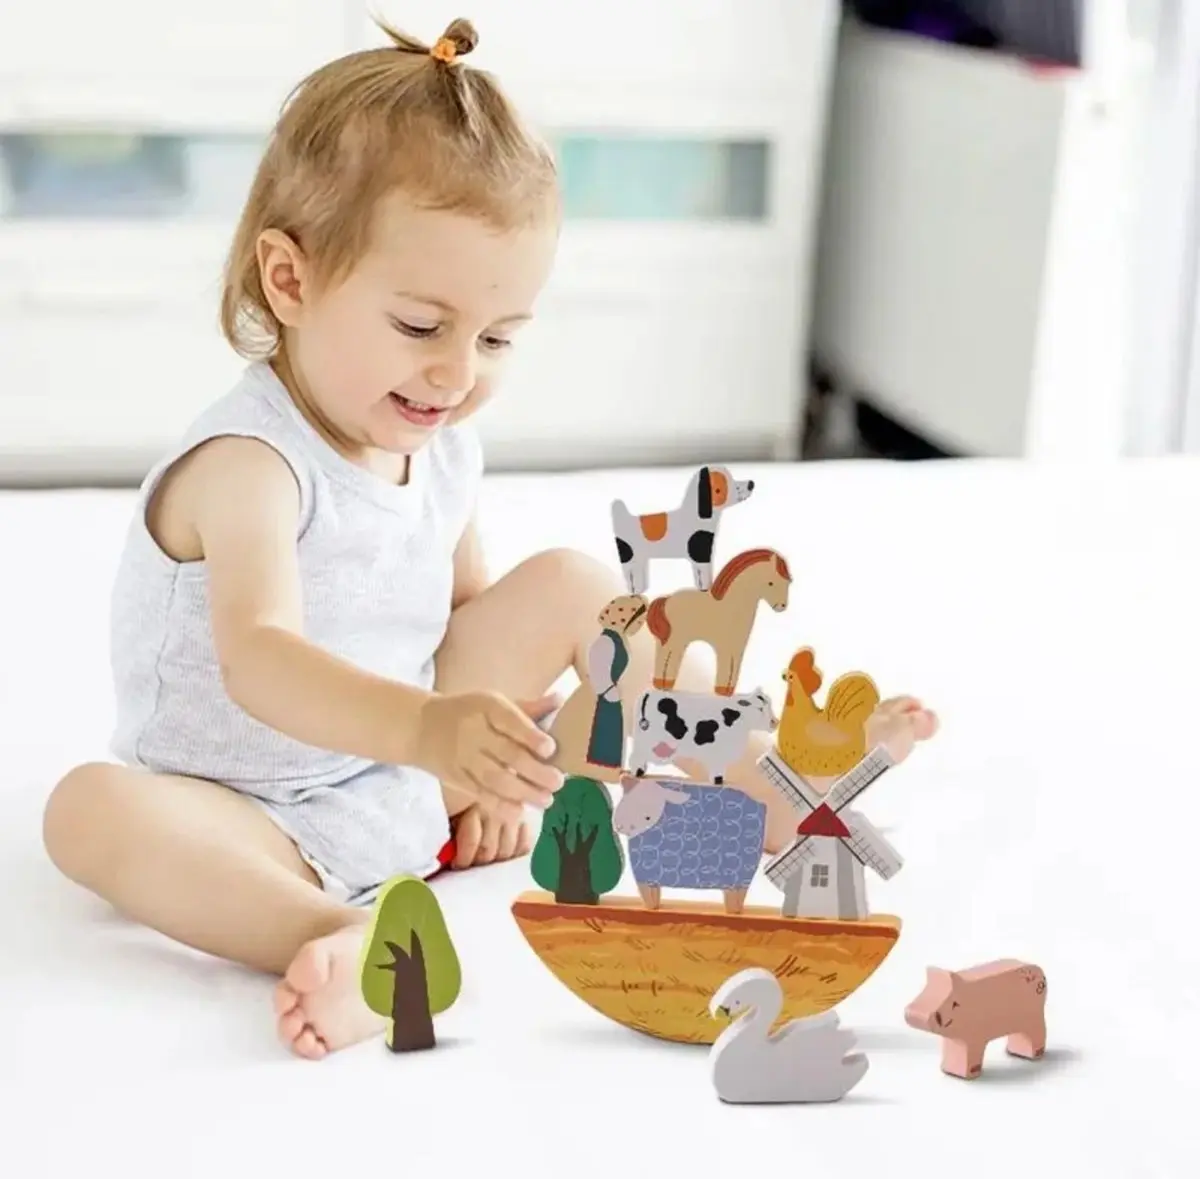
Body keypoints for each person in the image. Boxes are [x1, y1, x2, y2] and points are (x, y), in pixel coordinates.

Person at [41, 16, 938, 1061]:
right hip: (249, 807)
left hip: (402, 770)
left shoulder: (442, 440)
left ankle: (764, 784)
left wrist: (494, 752)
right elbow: (261, 661)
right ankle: (342, 934)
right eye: (421, 327)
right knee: (89, 811)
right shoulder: (249, 465)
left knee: (568, 585)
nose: (458, 372)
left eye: (499, 337)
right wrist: (433, 737)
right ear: (289, 282)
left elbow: (459, 620)